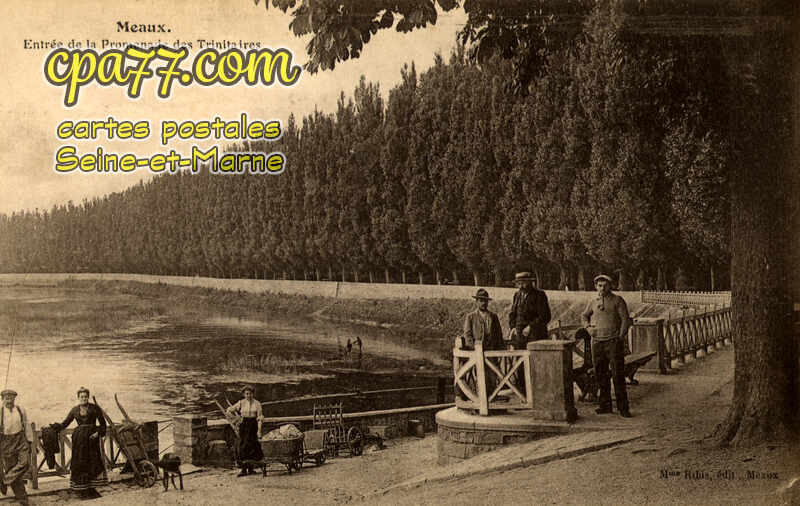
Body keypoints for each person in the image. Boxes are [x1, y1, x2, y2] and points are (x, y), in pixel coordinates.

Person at [581, 274, 632, 418]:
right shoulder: (593, 301)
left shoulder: (617, 300)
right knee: (600, 374)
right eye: (599, 285)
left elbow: (625, 320)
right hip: (597, 342)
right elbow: (584, 316)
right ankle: (605, 406)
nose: (602, 288)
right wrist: (588, 328)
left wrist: (620, 337)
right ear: (595, 286)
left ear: (610, 286)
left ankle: (623, 408)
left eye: (605, 285)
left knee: (617, 374)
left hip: (613, 342)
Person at [56, 387, 108, 498]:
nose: (84, 398)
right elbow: (64, 424)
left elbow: (103, 425)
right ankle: (82, 490)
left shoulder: (95, 408)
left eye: (85, 396)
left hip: (91, 440)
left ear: (88, 397)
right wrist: (53, 427)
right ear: (78, 398)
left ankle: (91, 489)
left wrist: (97, 433)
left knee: (92, 462)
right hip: (79, 441)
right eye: (81, 397)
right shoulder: (74, 410)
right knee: (80, 463)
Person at [0, 389, 32, 505]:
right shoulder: (0, 412)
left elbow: (26, 424)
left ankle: (4, 480)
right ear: (2, 399)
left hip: (21, 440)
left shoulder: (20, 409)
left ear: (14, 399)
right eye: (6, 398)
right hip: (6, 442)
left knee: (25, 463)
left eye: (11, 398)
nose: (9, 400)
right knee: (13, 471)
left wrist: (29, 440)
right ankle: (23, 499)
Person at [508, 271, 552, 349]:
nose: (521, 286)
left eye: (523, 283)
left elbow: (545, 316)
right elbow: (512, 314)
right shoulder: (517, 295)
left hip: (535, 335)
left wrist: (531, 327)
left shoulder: (539, 295)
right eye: (519, 284)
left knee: (534, 359)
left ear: (530, 282)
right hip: (519, 336)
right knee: (519, 358)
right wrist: (513, 327)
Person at [227, 386, 263, 476]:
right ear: (244, 394)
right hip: (244, 426)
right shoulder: (241, 403)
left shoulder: (257, 404)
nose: (248, 395)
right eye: (246, 394)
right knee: (242, 446)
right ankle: (243, 469)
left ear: (253, 394)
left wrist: (259, 430)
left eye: (250, 393)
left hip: (253, 426)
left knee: (252, 446)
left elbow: (259, 418)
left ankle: (251, 469)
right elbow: (229, 410)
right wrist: (236, 420)